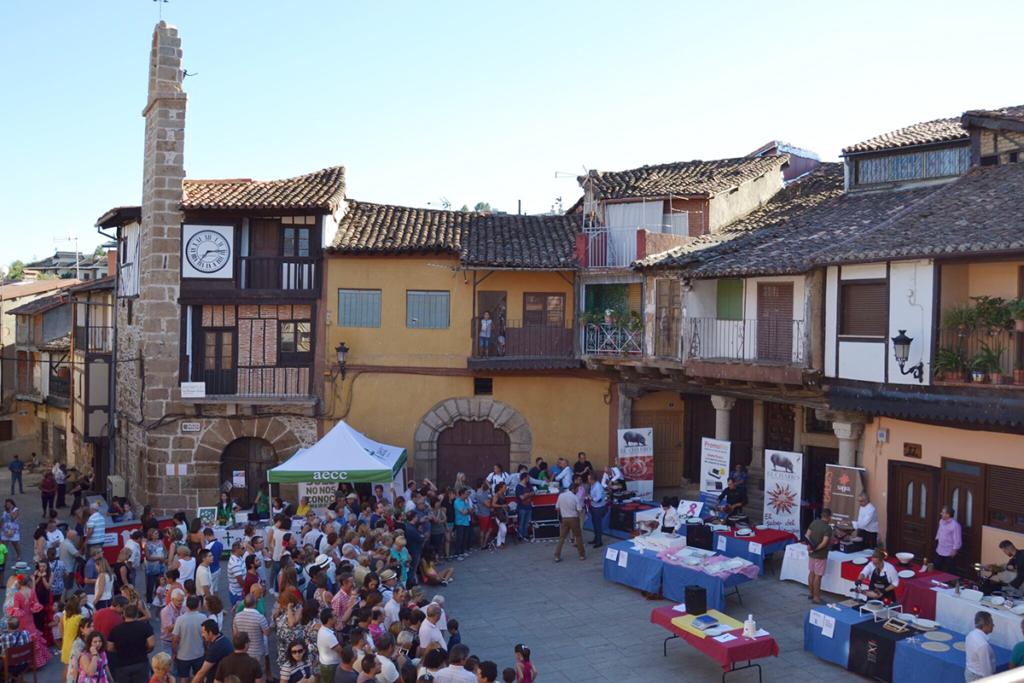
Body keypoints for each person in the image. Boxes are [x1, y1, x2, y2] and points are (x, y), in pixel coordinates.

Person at [108, 604, 156, 683]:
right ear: (137, 614)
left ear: (124, 614)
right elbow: (151, 644)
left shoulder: (116, 629)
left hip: (122, 664)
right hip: (141, 662)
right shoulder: (145, 627)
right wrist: (146, 651)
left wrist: (119, 651)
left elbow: (109, 647)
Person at [174, 595, 208, 683]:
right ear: (198, 605)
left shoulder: (180, 619)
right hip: (199, 653)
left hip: (183, 655)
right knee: (199, 676)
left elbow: (174, 638)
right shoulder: (203, 618)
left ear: (187, 605)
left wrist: (174, 652)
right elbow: (206, 637)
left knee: (183, 677)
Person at [232, 593, 270, 670]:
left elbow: (235, 634)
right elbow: (267, 633)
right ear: (255, 604)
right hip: (257, 652)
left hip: (243, 651)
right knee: (258, 674)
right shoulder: (260, 617)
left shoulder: (237, 616)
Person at [805, 508, 833, 604]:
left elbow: (807, 535)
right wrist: (816, 549)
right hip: (820, 555)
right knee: (818, 576)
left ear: (821, 515)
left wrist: (810, 546)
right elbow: (824, 543)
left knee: (811, 573)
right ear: (829, 517)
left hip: (811, 554)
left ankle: (811, 593)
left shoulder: (814, 522)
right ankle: (816, 598)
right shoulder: (828, 528)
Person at [553, 484, 585, 563]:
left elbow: (557, 507)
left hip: (564, 519)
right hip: (574, 518)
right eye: (577, 489)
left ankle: (557, 555)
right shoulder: (575, 497)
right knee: (578, 537)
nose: (578, 491)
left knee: (562, 538)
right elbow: (579, 510)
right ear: (573, 489)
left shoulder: (561, 496)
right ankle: (581, 555)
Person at [965, 611, 997, 681]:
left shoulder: (971, 634)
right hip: (978, 677)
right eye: (991, 623)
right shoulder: (983, 646)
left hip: (970, 672)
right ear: (985, 625)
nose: (993, 625)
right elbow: (987, 670)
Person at [317, 607, 343, 683]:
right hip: (331, 667)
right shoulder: (328, 635)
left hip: (327, 665)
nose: (337, 617)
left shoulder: (324, 629)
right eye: (335, 616)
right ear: (329, 620)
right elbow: (340, 651)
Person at [934, 505, 963, 574]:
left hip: (949, 551)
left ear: (948, 515)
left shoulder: (955, 525)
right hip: (940, 549)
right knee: (937, 567)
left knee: (951, 570)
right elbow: (939, 531)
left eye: (943, 512)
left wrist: (955, 550)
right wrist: (937, 538)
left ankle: (951, 583)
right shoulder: (941, 521)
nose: (941, 513)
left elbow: (957, 539)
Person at [587, 472, 606, 548]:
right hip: (594, 506)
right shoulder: (592, 485)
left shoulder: (597, 486)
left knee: (597, 525)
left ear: (592, 479)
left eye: (589, 479)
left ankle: (599, 541)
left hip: (598, 508)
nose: (587, 480)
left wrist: (590, 498)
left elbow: (598, 499)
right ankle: (596, 538)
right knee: (595, 524)